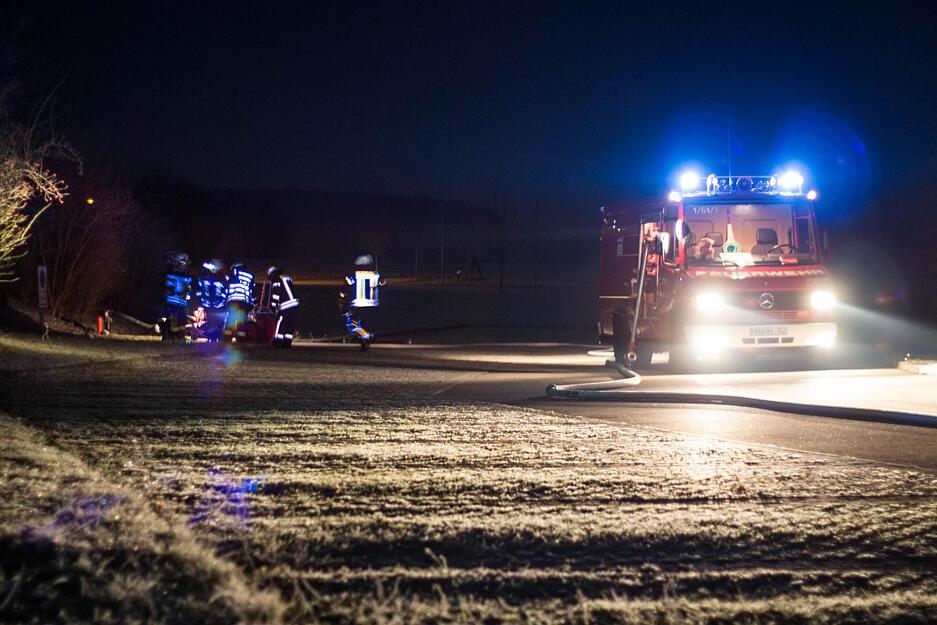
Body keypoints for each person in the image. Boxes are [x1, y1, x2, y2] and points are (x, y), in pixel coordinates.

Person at [339, 254, 386, 350]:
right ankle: (366, 338)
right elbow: (382, 283)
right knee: (361, 325)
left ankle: (365, 339)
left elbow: (346, 287)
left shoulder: (354, 275)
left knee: (353, 326)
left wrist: (342, 299)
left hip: (357, 304)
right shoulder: (376, 274)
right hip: (372, 305)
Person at [262, 265, 299, 348]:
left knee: (281, 323)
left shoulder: (277, 280)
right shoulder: (287, 278)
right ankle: (287, 343)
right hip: (295, 305)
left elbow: (276, 295)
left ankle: (277, 342)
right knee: (290, 324)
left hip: (286, 306)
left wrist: (273, 307)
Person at [160, 252, 192, 341]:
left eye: (185, 262)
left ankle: (180, 336)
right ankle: (166, 334)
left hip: (182, 302)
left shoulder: (187, 276)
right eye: (182, 262)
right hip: (172, 300)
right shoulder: (170, 273)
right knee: (168, 317)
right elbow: (167, 285)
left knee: (182, 319)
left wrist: (187, 292)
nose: (184, 265)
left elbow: (188, 287)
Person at [195, 259, 227, 341]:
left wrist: (223, 299)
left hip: (220, 304)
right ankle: (211, 338)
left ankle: (219, 337)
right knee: (211, 321)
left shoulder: (223, 278)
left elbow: (226, 290)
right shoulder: (203, 277)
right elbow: (199, 289)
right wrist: (200, 301)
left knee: (220, 322)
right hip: (208, 304)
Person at [224, 262, 255, 341]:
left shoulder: (233, 272)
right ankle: (241, 337)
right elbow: (252, 289)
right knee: (242, 319)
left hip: (233, 300)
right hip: (244, 301)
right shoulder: (250, 275)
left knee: (231, 318)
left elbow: (226, 283)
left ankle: (228, 336)